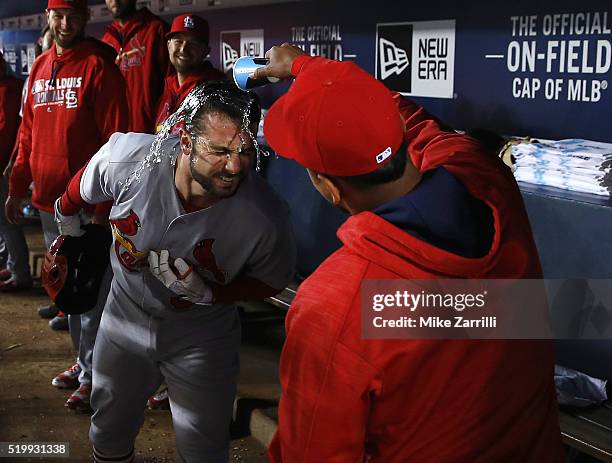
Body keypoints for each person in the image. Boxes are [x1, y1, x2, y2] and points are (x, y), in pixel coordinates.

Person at [254, 44, 564, 462]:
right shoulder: (484, 176)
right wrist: (304, 65)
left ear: (329, 188)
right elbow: (413, 121)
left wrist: (304, 69)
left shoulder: (336, 306)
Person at [54, 80, 295, 463]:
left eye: (245, 151)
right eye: (219, 150)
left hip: (202, 333)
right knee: (108, 429)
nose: (234, 166)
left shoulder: (264, 216)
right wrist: (67, 232)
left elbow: (273, 279)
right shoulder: (130, 160)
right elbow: (77, 191)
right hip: (124, 315)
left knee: (203, 446)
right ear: (184, 140)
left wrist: (212, 294)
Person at [5, 0, 129, 410]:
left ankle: (95, 377)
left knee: (90, 293)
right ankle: (82, 362)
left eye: (74, 15)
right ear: (48, 18)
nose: (65, 22)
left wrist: (102, 205)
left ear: (84, 19)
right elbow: (26, 134)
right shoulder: (39, 67)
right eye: (58, 15)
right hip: (47, 201)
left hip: (87, 204)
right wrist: (18, 186)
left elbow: (117, 140)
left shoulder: (99, 66)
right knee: (65, 291)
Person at [102, 0, 170, 133]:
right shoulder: (106, 41)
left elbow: (172, 87)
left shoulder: (156, 30)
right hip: (117, 140)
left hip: (150, 137)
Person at [154, 13, 225, 133]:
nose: (183, 49)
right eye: (178, 41)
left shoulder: (217, 89)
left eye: (193, 43)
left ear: (205, 51)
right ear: (168, 46)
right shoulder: (166, 86)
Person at [0, 51, 31, 292]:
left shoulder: (9, 89)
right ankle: (13, 265)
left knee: (8, 221)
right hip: (6, 163)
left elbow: (7, 131)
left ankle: (20, 272)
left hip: (5, 166)